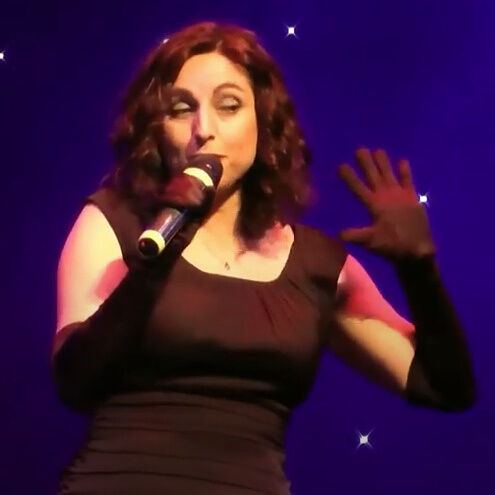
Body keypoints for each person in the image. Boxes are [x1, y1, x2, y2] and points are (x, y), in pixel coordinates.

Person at [51, 20, 476, 495]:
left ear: (263, 122)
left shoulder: (315, 264)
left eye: (229, 105)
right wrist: (164, 248)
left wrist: (419, 271)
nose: (203, 131)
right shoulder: (118, 224)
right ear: (157, 129)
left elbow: (445, 388)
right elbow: (75, 382)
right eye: (181, 109)